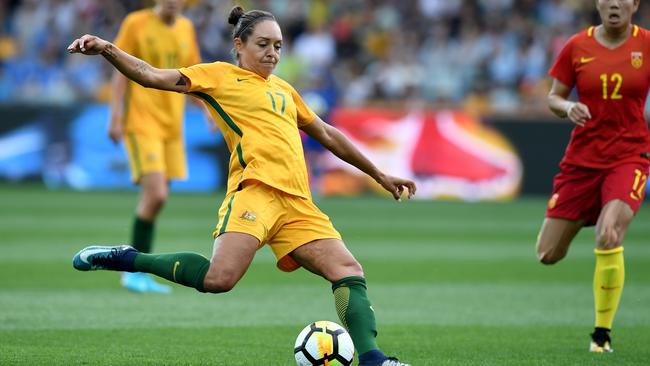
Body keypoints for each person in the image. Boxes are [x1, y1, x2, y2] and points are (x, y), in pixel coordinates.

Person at [68, 6, 415, 366]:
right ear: (240, 44)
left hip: (297, 203)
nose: (272, 53)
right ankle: (129, 258)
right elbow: (151, 75)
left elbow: (327, 133)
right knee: (219, 279)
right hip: (255, 192)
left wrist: (379, 174)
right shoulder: (218, 77)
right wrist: (108, 49)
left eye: (278, 46)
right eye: (263, 44)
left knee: (348, 270)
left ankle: (374, 359)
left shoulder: (285, 90)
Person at [536, 0, 649, 353]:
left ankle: (602, 336)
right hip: (583, 160)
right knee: (547, 253)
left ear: (634, 4)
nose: (614, 3)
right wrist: (568, 106)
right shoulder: (577, 46)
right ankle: (594, 209)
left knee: (610, 232)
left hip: (629, 156)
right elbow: (553, 97)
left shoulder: (646, 44)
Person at [108, 0, 202, 293]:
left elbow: (196, 76)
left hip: (173, 127)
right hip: (141, 122)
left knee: (158, 199)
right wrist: (115, 115)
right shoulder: (136, 23)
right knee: (156, 193)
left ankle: (137, 271)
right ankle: (132, 270)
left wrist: (209, 112)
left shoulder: (186, 27)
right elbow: (119, 68)